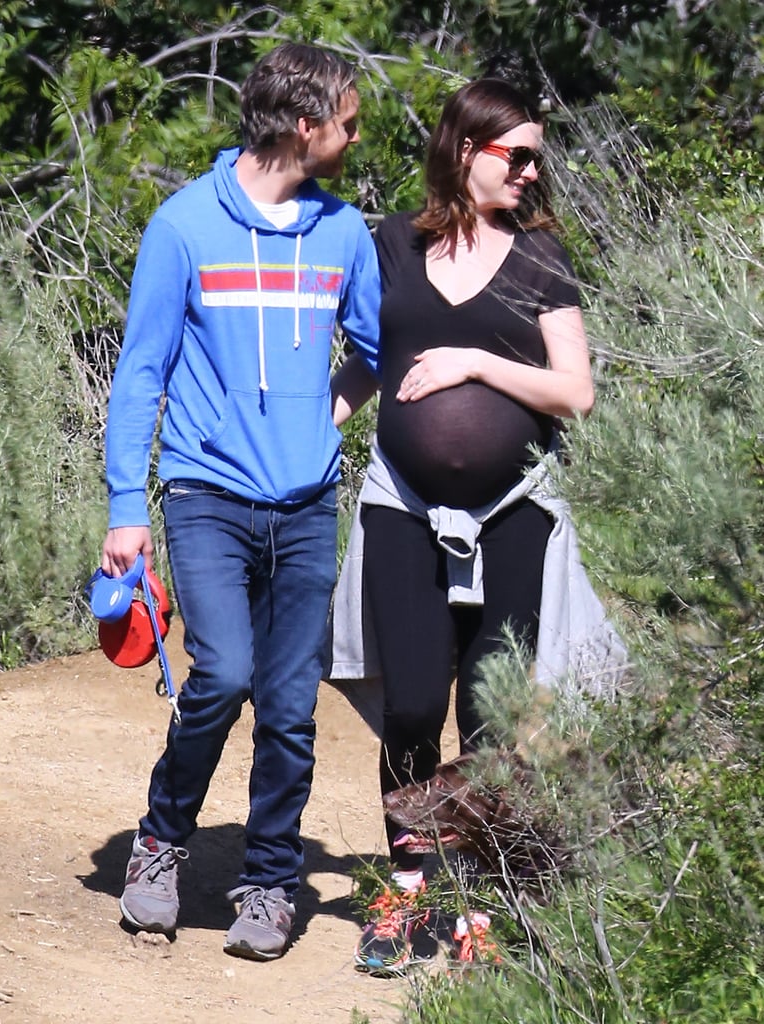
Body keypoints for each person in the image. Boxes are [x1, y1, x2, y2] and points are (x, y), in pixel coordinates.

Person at [101, 41, 380, 962]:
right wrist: (122, 507)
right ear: (306, 127)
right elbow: (140, 371)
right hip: (204, 493)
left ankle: (267, 881)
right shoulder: (183, 226)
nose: (353, 134)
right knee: (220, 676)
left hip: (305, 503)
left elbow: (376, 348)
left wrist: (319, 418)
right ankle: (161, 838)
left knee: (291, 704)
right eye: (346, 118)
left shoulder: (342, 234)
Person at [330, 77, 598, 975]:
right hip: (400, 503)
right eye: (511, 154)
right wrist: (297, 432)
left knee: (490, 714)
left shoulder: (541, 261)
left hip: (511, 511)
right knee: (410, 702)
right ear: (463, 150)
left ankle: (477, 906)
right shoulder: (392, 247)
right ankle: (403, 895)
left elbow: (575, 392)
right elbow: (368, 366)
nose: (527, 171)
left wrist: (477, 360)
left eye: (535, 158)